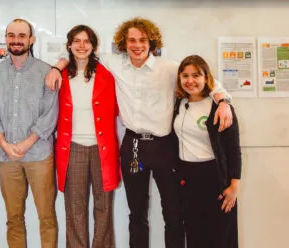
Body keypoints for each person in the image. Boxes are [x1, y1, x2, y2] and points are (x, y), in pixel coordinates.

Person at [46, 17, 233, 248]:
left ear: (151, 42)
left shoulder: (169, 68)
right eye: (131, 40)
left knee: (173, 213)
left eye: (142, 40)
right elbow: (79, 55)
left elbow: (208, 81)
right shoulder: (114, 63)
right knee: (137, 214)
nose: (137, 45)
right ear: (124, 43)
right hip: (134, 148)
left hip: (164, 147)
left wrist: (223, 100)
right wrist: (57, 65)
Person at [0, 18, 58, 248]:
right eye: (11, 35)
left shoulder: (46, 71)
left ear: (31, 40)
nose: (16, 40)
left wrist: (27, 143)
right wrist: (4, 143)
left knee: (46, 216)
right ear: (6, 39)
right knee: (13, 218)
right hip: (7, 157)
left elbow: (49, 114)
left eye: (21, 36)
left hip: (38, 155)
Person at [55, 25, 121, 248]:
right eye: (77, 41)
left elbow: (116, 109)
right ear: (69, 45)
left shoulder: (106, 75)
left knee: (104, 207)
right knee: (75, 208)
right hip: (73, 147)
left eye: (86, 41)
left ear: (93, 46)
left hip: (102, 148)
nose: (82, 46)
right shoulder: (60, 76)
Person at [173, 55, 241, 248]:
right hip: (188, 178)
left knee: (220, 235)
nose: (190, 81)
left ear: (206, 77)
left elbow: (233, 149)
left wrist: (234, 186)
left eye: (196, 75)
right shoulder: (178, 103)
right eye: (185, 75)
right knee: (195, 235)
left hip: (215, 177)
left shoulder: (220, 108)